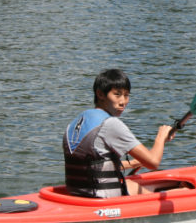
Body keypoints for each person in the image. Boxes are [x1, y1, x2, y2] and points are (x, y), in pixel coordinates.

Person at [63, 69, 172, 197]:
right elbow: (153, 163)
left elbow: (94, 166)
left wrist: (136, 163)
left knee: (138, 184)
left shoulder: (75, 123)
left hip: (77, 194)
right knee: (183, 190)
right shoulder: (110, 124)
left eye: (126, 95)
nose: (123, 102)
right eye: (117, 94)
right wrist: (161, 137)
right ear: (100, 94)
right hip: (102, 199)